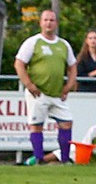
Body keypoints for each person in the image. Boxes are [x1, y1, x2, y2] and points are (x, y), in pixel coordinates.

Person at [14, 9, 78, 165]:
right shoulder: (33, 42)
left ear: (56, 23)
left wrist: (68, 86)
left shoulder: (63, 45)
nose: (49, 23)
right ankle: (38, 159)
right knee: (36, 126)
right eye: (46, 20)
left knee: (67, 123)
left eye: (52, 20)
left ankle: (64, 159)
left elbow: (72, 66)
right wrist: (29, 84)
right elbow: (19, 64)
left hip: (57, 94)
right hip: (38, 93)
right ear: (40, 22)